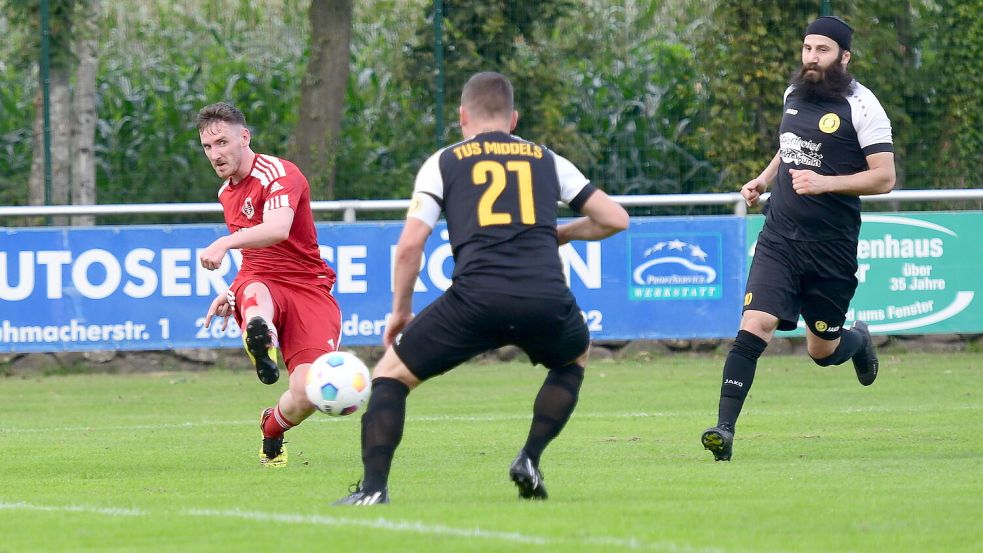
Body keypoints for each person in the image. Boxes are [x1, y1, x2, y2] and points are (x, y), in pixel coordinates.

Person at [333, 72, 629, 505]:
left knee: (389, 377)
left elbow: (410, 244)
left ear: (462, 115)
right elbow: (615, 219)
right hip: (545, 298)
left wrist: (400, 310)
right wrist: (558, 234)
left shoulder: (445, 162)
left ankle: (374, 490)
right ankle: (529, 457)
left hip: (475, 299)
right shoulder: (547, 159)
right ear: (513, 117)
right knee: (572, 359)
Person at [701, 16, 896, 462]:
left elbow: (885, 178)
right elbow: (790, 148)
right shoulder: (793, 94)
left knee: (822, 350)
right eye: (807, 49)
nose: (812, 58)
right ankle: (723, 431)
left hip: (831, 247)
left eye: (823, 50)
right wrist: (763, 180)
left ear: (844, 57)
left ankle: (858, 341)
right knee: (755, 324)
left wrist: (825, 184)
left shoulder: (864, 107)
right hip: (780, 237)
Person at [196, 102, 342, 468]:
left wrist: (223, 242)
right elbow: (255, 261)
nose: (215, 154)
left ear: (244, 137)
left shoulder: (279, 173)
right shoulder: (225, 192)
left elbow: (277, 229)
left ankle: (272, 427)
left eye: (222, 142)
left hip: (309, 289)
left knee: (308, 394)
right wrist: (233, 292)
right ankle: (261, 334)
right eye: (207, 147)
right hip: (261, 284)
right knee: (257, 294)